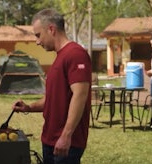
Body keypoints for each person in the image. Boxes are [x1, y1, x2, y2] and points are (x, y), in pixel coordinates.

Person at [12, 8, 92, 164]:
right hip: (50, 139)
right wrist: (28, 107)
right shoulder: (59, 57)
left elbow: (80, 95)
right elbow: (52, 99)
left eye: (38, 35)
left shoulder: (75, 54)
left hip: (66, 143)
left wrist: (66, 135)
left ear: (51, 29)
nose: (37, 41)